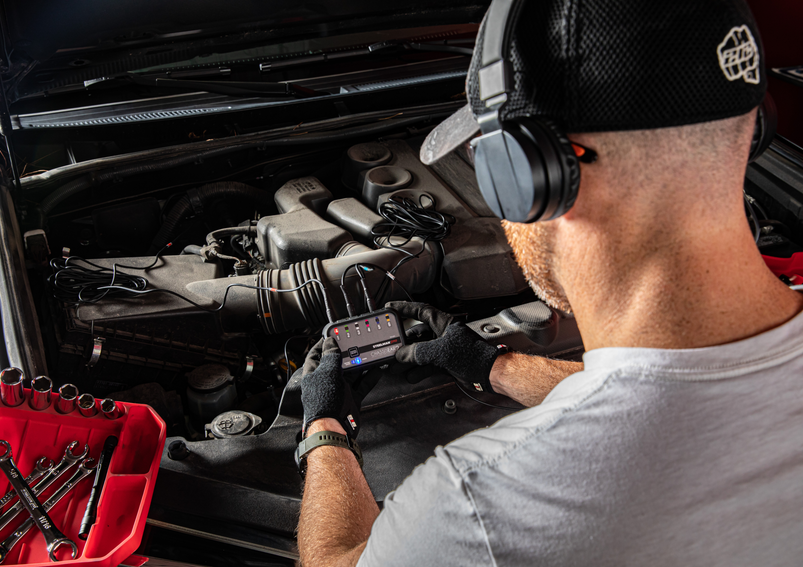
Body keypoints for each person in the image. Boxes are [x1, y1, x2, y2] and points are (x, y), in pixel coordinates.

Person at [295, 0, 803, 565]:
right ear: (755, 126)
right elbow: (690, 393)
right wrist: (495, 366)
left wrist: (326, 429)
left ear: (528, 177)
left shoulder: (476, 508)